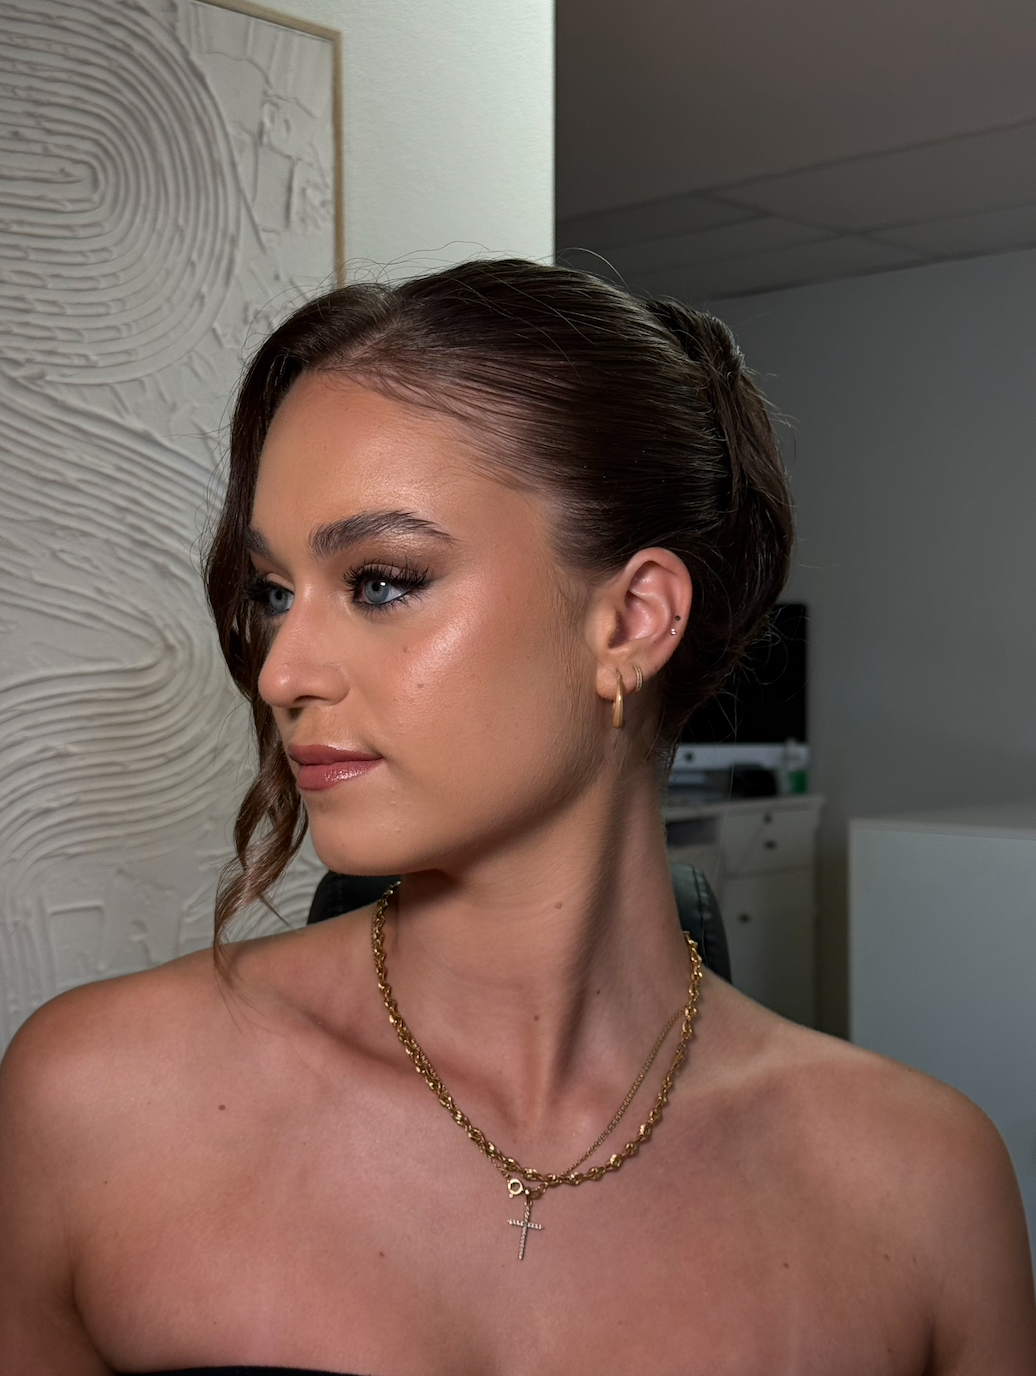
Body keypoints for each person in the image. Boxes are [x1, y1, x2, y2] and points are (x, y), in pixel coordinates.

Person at [0, 259, 1033, 1376]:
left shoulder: (922, 1192)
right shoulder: (94, 1105)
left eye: (383, 579)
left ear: (632, 617)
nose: (281, 669)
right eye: (272, 592)